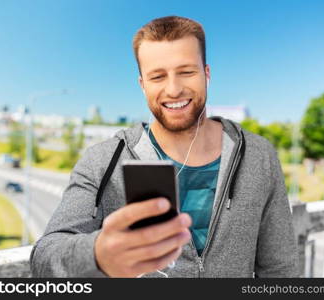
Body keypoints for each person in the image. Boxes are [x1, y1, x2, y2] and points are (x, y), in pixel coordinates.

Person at [30, 15, 299, 278]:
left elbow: (280, 270)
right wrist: (97, 254)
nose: (173, 89)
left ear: (207, 74)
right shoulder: (103, 161)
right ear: (142, 85)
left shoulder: (259, 155)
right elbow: (45, 258)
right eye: (157, 77)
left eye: (186, 72)